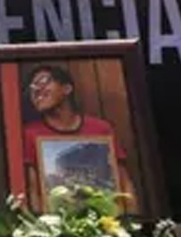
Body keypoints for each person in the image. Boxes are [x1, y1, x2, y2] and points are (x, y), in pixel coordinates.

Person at [22, 65, 134, 212]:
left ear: (67, 89)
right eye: (32, 88)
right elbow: (33, 190)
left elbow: (123, 183)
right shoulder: (30, 133)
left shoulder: (101, 129)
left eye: (43, 82)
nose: (36, 90)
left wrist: (132, 222)